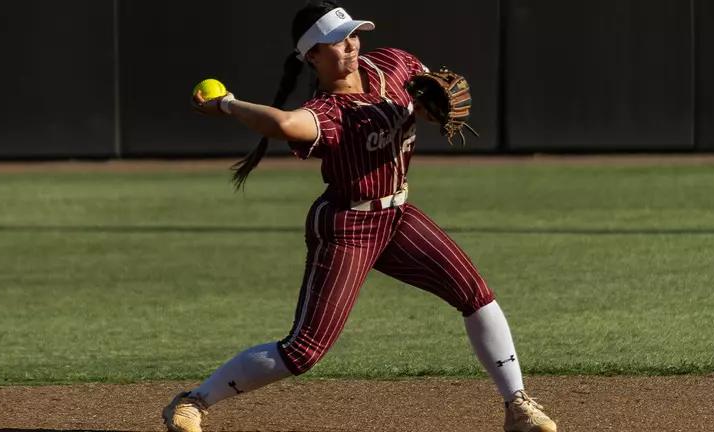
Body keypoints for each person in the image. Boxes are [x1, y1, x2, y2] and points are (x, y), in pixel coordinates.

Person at [163, 1, 557, 431]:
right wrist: (227, 105)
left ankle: (517, 405)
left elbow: (429, 90)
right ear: (312, 56)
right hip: (347, 227)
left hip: (398, 216)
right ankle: (194, 401)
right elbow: (282, 124)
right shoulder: (327, 112)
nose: (350, 45)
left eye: (353, 34)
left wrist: (428, 108)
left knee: (476, 295)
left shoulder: (395, 63)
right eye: (336, 40)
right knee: (303, 350)